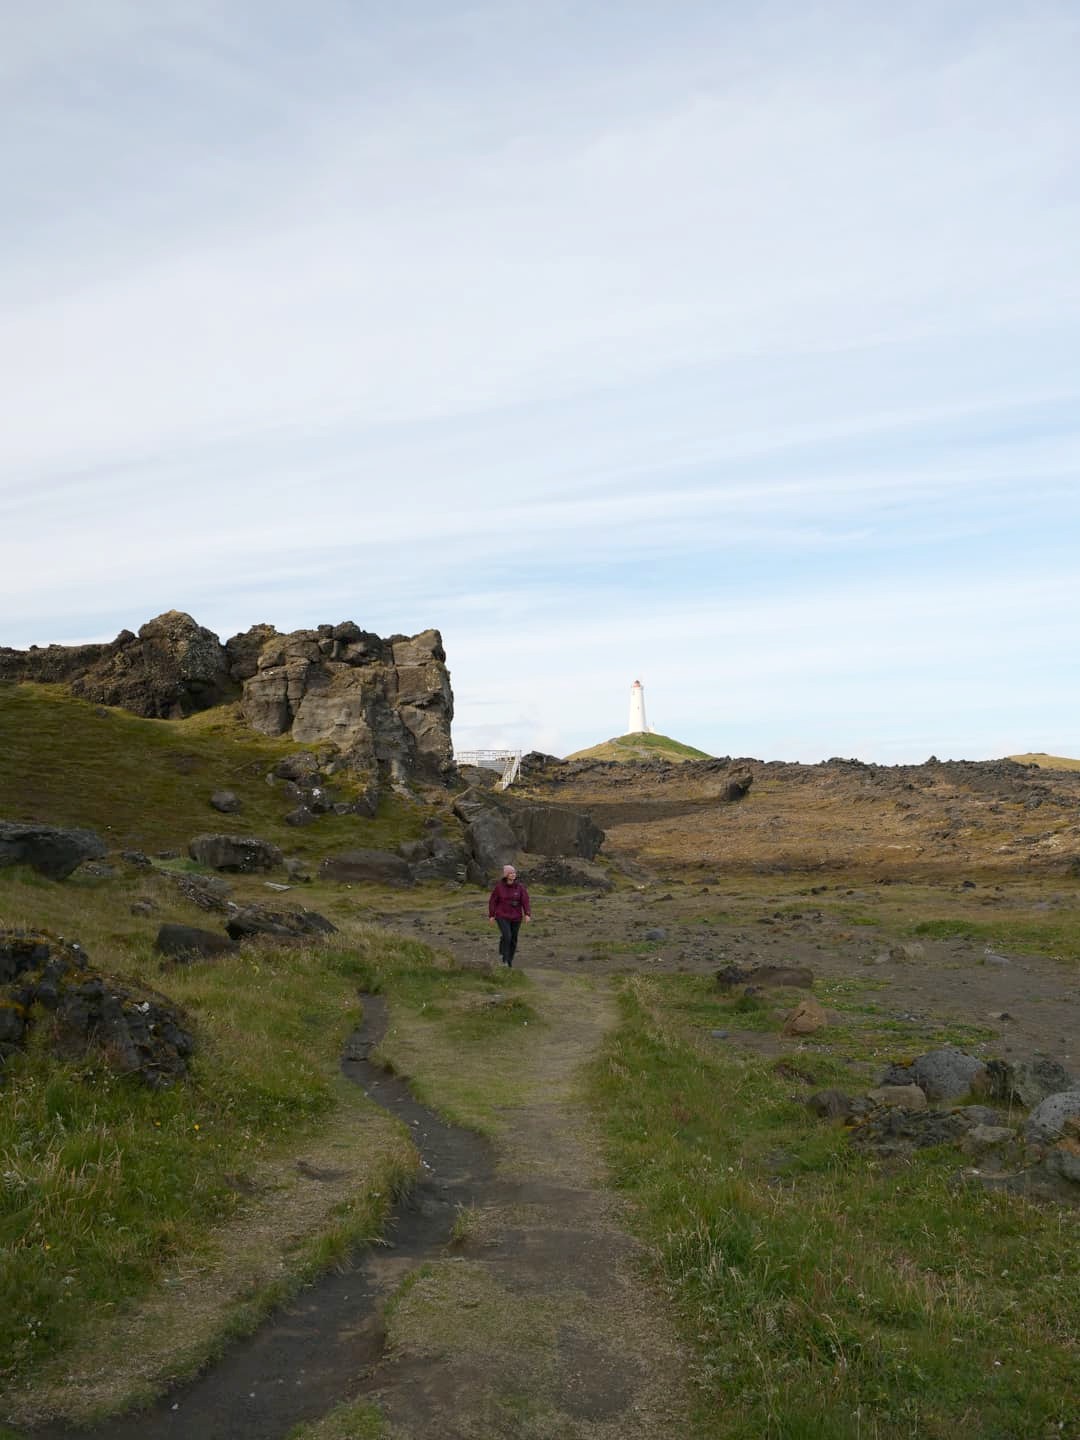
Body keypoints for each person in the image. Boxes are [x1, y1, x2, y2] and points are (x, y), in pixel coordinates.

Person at [488, 863, 531, 967]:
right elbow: (493, 901)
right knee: (507, 936)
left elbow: (525, 901)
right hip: (502, 916)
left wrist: (527, 914)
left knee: (513, 939)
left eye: (514, 873)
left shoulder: (520, 887)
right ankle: (504, 958)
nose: (513, 874)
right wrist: (492, 915)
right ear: (506, 875)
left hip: (516, 917)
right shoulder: (499, 887)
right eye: (511, 873)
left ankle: (509, 961)